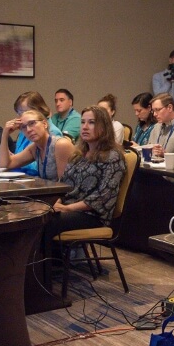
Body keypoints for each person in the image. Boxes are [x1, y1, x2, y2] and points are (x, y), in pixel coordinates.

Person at [43, 106, 125, 262]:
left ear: (104, 127)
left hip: (93, 215)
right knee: (38, 216)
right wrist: (57, 202)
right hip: (70, 208)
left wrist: (67, 208)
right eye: (82, 122)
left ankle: (43, 274)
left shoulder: (113, 156)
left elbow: (102, 197)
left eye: (92, 122)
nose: (85, 127)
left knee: (48, 222)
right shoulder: (79, 153)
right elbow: (64, 183)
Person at [0, 109, 72, 181]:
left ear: (45, 124)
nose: (28, 130)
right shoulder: (35, 147)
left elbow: (65, 185)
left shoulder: (60, 145)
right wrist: (5, 134)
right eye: (23, 127)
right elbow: (5, 165)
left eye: (32, 123)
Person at [12, 91, 63, 176]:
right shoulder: (24, 130)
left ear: (38, 110)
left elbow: (37, 165)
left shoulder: (53, 133)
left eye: (23, 112)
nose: (20, 117)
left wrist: (18, 160)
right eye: (18, 113)